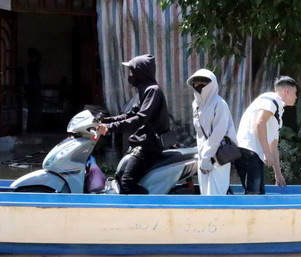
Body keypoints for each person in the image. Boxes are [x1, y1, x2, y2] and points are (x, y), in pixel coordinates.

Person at [96, 54, 170, 194]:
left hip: (149, 146)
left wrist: (110, 128)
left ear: (139, 71)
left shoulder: (152, 91)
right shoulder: (145, 90)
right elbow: (130, 115)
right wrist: (105, 121)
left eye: (131, 71)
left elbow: (139, 119)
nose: (129, 74)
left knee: (126, 183)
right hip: (143, 143)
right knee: (119, 176)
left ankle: (146, 210)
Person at [234, 76, 299, 194]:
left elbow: (273, 147)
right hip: (248, 150)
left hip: (255, 154)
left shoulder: (278, 112)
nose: (296, 97)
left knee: (260, 194)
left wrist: (278, 174)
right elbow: (259, 122)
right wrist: (266, 152)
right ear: (287, 91)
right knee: (253, 195)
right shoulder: (272, 99)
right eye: (295, 93)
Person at [188, 68, 237, 196]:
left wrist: (207, 156)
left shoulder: (220, 104)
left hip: (219, 155)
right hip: (203, 156)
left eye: (203, 84)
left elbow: (218, 134)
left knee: (216, 194)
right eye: (196, 84)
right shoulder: (196, 104)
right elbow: (200, 134)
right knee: (205, 195)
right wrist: (202, 157)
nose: (199, 87)